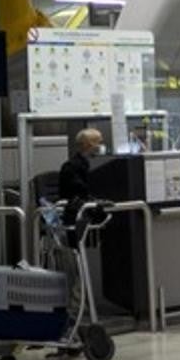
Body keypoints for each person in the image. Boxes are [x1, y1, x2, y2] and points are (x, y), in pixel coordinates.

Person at [57, 129, 105, 321]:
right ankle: (74, 314)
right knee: (79, 270)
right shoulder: (72, 168)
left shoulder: (85, 165)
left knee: (82, 270)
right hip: (76, 225)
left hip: (83, 223)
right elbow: (82, 193)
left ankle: (78, 311)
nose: (101, 145)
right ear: (86, 145)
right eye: (97, 142)